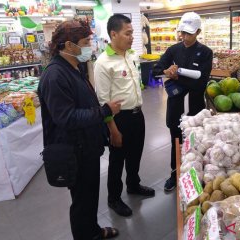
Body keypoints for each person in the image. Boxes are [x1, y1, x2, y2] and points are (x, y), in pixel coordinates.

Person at [38, 20, 121, 240]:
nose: (90, 47)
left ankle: (93, 230)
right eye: (86, 42)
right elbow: (65, 117)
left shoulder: (74, 66)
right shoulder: (55, 75)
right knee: (82, 200)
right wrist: (104, 111)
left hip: (87, 146)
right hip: (75, 151)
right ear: (69, 45)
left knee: (90, 196)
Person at [94, 14, 155, 217]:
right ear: (113, 34)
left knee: (135, 154)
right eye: (128, 33)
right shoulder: (103, 63)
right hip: (119, 120)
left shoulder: (131, 55)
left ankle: (133, 185)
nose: (132, 37)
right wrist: (113, 129)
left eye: (132, 33)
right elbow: (103, 101)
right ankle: (114, 199)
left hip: (138, 114)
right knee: (117, 160)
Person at [152, 12, 213, 191]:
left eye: (189, 33)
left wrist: (177, 75)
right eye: (182, 33)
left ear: (198, 32)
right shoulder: (173, 50)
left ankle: (195, 175)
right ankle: (174, 172)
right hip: (176, 105)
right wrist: (166, 71)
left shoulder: (206, 53)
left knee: (195, 141)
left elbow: (201, 82)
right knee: (176, 139)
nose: (184, 37)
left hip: (195, 107)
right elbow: (156, 70)